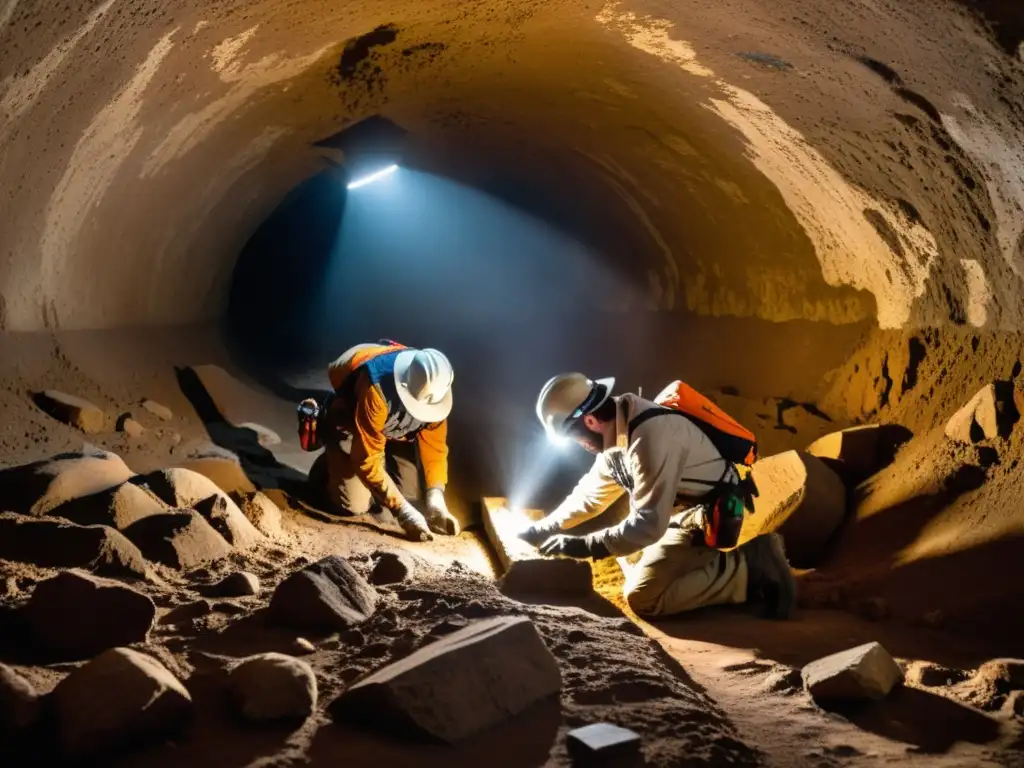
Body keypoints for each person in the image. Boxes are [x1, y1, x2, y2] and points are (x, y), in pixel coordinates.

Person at [518, 372, 796, 620]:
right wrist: (544, 528)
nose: (580, 445)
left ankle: (746, 567)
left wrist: (584, 546)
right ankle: (698, 564)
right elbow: (591, 497)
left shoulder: (650, 437)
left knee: (642, 597)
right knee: (627, 553)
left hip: (707, 517)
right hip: (676, 512)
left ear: (590, 421)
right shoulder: (618, 429)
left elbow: (649, 524)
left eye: (576, 438)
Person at [299, 340, 460, 542]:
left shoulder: (437, 393)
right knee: (354, 505)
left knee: (409, 494)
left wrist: (435, 497)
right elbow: (367, 460)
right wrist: (402, 511)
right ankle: (330, 451)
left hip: (389, 430)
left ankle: (354, 462)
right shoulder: (376, 389)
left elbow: (435, 448)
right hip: (354, 421)